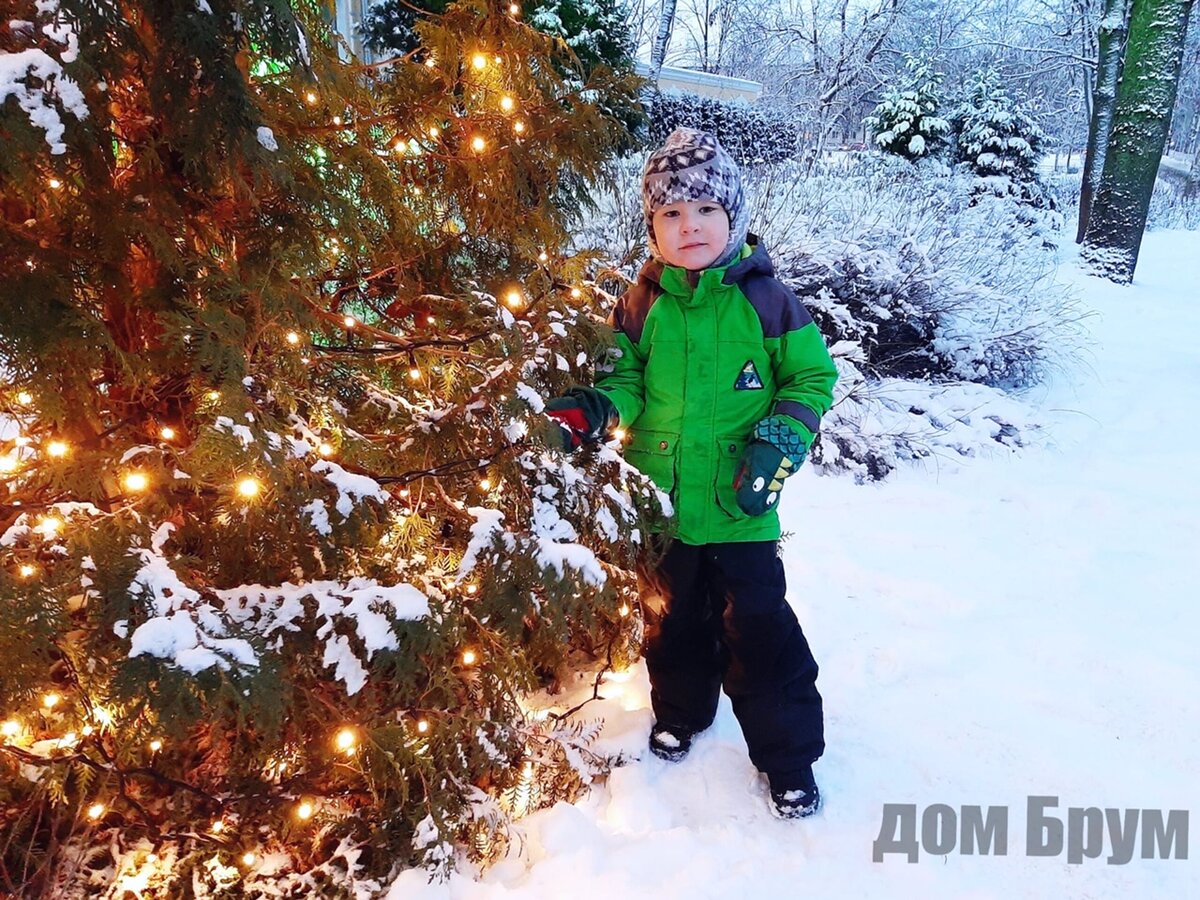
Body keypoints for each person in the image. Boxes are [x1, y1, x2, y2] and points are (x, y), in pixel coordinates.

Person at [546, 127, 837, 818]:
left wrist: (777, 441)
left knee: (759, 626)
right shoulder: (641, 304)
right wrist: (596, 408)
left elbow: (810, 378)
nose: (690, 226)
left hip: (743, 501)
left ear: (732, 218)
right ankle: (681, 710)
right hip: (662, 502)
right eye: (671, 214)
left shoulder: (768, 301)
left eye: (705, 210)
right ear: (652, 228)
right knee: (671, 619)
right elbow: (627, 382)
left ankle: (788, 755)